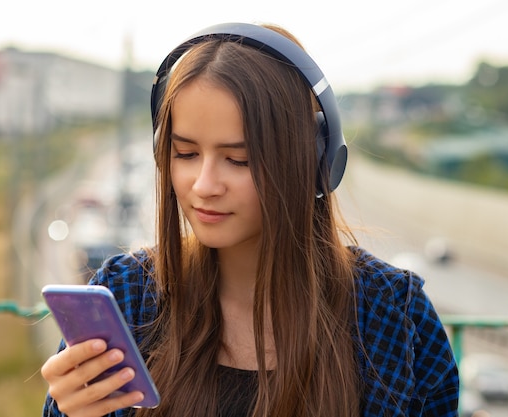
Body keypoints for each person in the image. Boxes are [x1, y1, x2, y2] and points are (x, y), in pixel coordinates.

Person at [41, 22, 459, 417]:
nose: (204, 185)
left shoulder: (393, 315)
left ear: (314, 163)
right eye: (185, 154)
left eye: (239, 159)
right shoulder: (126, 298)